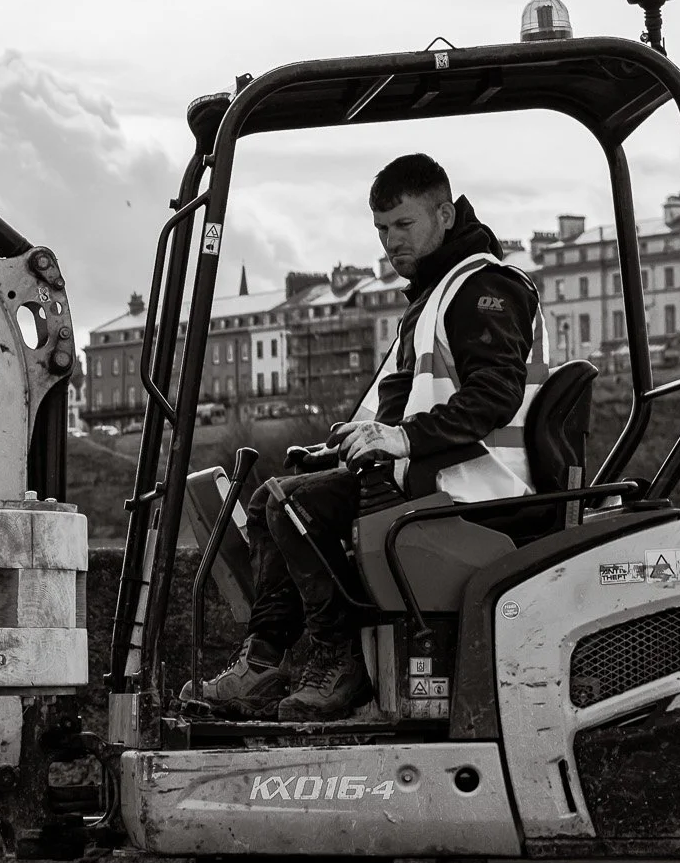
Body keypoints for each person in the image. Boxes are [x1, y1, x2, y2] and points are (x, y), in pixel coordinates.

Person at [187, 153, 540, 722]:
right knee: (269, 498)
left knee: (294, 505)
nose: (391, 243)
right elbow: (403, 400)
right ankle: (265, 660)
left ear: (445, 215)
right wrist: (350, 444)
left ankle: (339, 665)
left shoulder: (483, 289)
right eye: (382, 230)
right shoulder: (435, 293)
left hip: (478, 488)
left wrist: (403, 440)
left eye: (404, 225)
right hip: (433, 474)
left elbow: (495, 396)